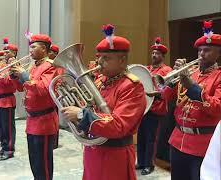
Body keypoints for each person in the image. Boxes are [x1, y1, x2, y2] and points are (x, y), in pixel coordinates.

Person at [61, 24, 147, 180]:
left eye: (106, 58)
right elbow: (90, 108)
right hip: (93, 150)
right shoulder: (101, 81)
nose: (99, 62)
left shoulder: (132, 87)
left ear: (122, 60)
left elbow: (119, 125)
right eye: (98, 56)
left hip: (115, 156)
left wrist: (80, 115)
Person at [159, 20, 221, 180]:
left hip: (203, 144)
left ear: (218, 53)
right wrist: (173, 76)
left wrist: (192, 87)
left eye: (207, 50)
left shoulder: (219, 77)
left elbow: (217, 108)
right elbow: (167, 97)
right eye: (200, 50)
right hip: (178, 139)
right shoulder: (190, 73)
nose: (201, 54)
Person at [11, 34, 60, 180]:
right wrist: (15, 77)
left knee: (43, 163)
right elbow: (21, 89)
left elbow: (43, 89)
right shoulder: (34, 66)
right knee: (35, 161)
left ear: (44, 48)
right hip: (32, 121)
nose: (30, 49)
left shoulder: (50, 66)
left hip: (44, 121)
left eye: (33, 46)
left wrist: (24, 75)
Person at [136, 37, 172, 175]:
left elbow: (167, 90)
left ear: (162, 56)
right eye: (152, 53)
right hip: (144, 108)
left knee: (151, 138)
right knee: (141, 137)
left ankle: (149, 164)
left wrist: (156, 94)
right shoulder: (147, 69)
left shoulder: (166, 70)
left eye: (157, 53)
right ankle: (140, 161)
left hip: (156, 109)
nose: (154, 55)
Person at [0, 38, 23, 161]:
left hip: (7, 100)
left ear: (14, 53)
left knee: (8, 127)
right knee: (1, 126)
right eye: (4, 52)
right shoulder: (3, 65)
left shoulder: (15, 66)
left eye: (7, 52)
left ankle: (9, 149)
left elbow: (8, 81)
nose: (4, 53)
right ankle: (4, 147)